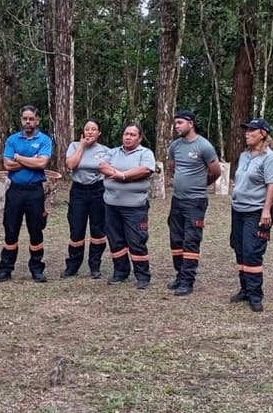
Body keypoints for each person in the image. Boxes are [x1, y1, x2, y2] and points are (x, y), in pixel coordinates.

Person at [0, 105, 54, 283]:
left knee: (35, 230)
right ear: (21, 120)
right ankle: (5, 269)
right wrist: (31, 160)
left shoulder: (44, 140)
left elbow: (41, 164)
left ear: (37, 120)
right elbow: (7, 165)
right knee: (11, 229)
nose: (28, 122)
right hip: (15, 191)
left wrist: (18, 158)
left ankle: (37, 269)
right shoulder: (12, 140)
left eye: (31, 119)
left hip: (35, 191)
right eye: (25, 119)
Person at [165, 110, 222, 296]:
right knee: (176, 239)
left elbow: (216, 171)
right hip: (177, 200)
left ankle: (187, 281)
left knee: (191, 240)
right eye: (175, 123)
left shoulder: (204, 146)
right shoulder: (175, 146)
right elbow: (173, 166)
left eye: (180, 122)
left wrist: (200, 185)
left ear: (191, 124)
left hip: (195, 202)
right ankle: (180, 275)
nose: (176, 126)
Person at [228, 118, 273, 312]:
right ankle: (245, 289)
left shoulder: (269, 158)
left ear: (263, 134)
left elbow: (272, 184)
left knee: (252, 251)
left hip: (256, 211)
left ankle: (255, 295)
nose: (247, 133)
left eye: (252, 130)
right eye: (246, 130)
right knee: (239, 248)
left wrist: (266, 210)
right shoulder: (244, 155)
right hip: (238, 209)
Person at [98, 123, 156, 289]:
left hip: (135, 207)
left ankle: (142, 276)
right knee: (115, 240)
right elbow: (102, 166)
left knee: (137, 241)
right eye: (126, 134)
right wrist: (122, 174)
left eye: (132, 134)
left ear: (139, 138)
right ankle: (120, 271)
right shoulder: (113, 152)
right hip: (111, 205)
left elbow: (144, 170)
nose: (128, 137)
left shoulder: (145, 153)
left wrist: (122, 175)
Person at [63, 118, 111, 279]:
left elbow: (109, 170)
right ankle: (72, 266)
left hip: (98, 191)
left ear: (99, 133)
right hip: (78, 191)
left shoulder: (105, 151)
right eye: (87, 129)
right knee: (76, 229)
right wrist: (82, 146)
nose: (90, 132)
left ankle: (95, 265)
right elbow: (71, 165)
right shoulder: (74, 146)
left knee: (98, 229)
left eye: (93, 129)